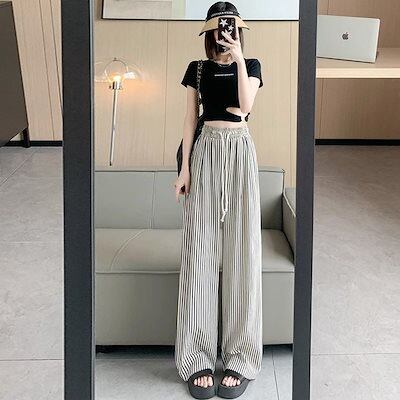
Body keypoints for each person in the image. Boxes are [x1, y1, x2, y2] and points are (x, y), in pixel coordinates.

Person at [173, 2, 264, 398]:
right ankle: (196, 356)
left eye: (231, 27)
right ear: (209, 31)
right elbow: (188, 119)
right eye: (219, 28)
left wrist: (239, 58)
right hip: (206, 150)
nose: (225, 33)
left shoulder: (253, 64)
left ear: (238, 30)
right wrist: (184, 169)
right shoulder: (197, 69)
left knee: (244, 252)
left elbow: (245, 106)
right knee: (200, 252)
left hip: (240, 151)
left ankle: (241, 357)